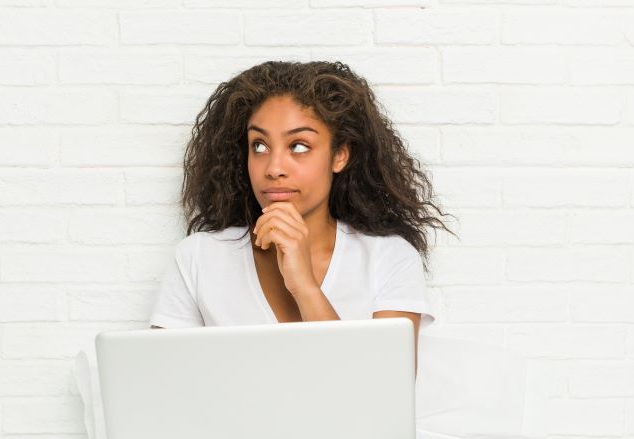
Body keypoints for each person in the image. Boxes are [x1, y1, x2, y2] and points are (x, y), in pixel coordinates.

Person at [149, 60, 453, 378]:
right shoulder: (198, 256)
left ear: (340, 155)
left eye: (298, 146)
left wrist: (304, 286)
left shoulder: (389, 257)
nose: (274, 168)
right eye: (260, 145)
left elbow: (387, 391)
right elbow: (163, 388)